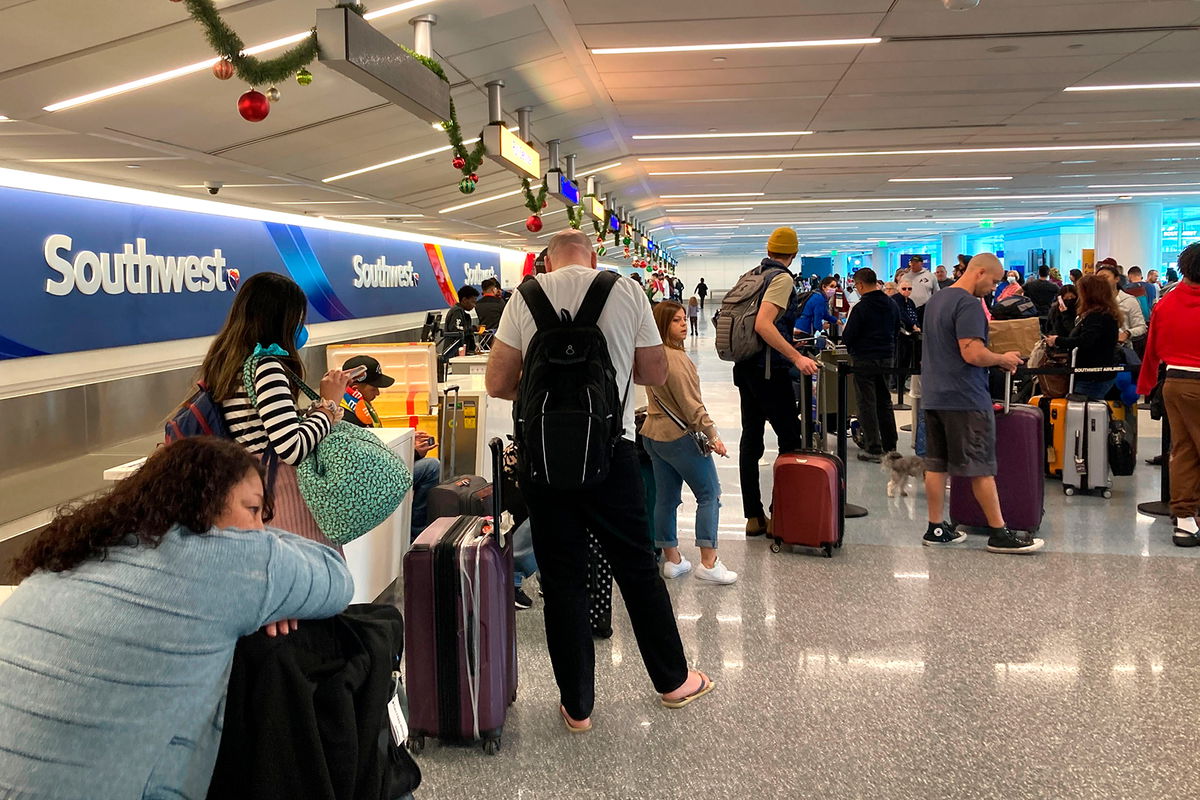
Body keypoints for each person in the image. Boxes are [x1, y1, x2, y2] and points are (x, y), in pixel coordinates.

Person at [0, 437, 353, 800]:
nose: (261, 531)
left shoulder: (83, 552)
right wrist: (265, 581)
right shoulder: (221, 565)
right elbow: (336, 577)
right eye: (252, 510)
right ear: (203, 503)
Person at [485, 229, 711, 732]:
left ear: (546, 261)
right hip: (613, 454)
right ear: (592, 256)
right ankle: (673, 680)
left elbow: (498, 384)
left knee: (562, 579)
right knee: (636, 569)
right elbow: (652, 372)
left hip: (543, 462)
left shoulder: (524, 296)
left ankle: (578, 707)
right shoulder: (626, 290)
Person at [201, 272, 352, 549]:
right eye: (298, 317)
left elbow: (265, 426)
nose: (301, 325)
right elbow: (291, 447)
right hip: (281, 491)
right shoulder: (266, 367)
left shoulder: (229, 363)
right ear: (281, 319)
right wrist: (328, 407)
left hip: (254, 483)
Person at [918, 253, 1043, 554]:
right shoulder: (969, 304)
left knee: (936, 464)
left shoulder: (937, 300)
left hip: (934, 394)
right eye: (994, 281)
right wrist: (1002, 358)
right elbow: (972, 353)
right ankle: (999, 531)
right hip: (964, 397)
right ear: (980, 272)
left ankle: (936, 526)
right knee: (980, 466)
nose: (994, 288)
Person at [731, 227, 820, 537]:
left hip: (745, 369)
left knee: (751, 439)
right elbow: (764, 323)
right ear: (793, 255)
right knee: (791, 439)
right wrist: (796, 357)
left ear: (769, 250)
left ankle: (753, 516)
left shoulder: (752, 275)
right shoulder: (781, 279)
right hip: (769, 371)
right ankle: (783, 513)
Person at [641, 301, 735, 584]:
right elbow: (692, 406)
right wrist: (713, 435)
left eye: (684, 319)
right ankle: (709, 562)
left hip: (654, 435)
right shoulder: (677, 360)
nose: (683, 324)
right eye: (676, 321)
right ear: (663, 325)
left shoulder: (652, 355)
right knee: (709, 496)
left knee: (666, 499)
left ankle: (673, 560)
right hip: (680, 438)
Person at [1138, 242, 1200, 546]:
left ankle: (1185, 521)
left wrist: (1146, 384)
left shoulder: (1166, 303)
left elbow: (1153, 349)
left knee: (1184, 449)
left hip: (1175, 382)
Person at [340, 355, 442, 539]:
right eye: (374, 387)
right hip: (365, 484)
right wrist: (413, 454)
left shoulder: (352, 406)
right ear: (355, 388)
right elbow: (369, 465)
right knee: (431, 467)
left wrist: (407, 440)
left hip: (370, 476)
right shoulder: (347, 418)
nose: (378, 393)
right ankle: (416, 537)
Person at [842, 268, 901, 463]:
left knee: (866, 403)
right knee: (884, 401)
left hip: (865, 358)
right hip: (887, 357)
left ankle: (873, 447)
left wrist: (853, 349)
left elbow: (848, 335)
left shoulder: (861, 308)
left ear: (859, 285)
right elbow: (896, 330)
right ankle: (891, 446)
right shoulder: (891, 304)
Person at [1045, 275, 1120, 400]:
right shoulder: (1105, 313)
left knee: (1082, 413)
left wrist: (1057, 340)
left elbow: (1086, 341)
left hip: (1092, 375)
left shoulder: (1097, 316)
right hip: (1097, 372)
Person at [1096, 264, 1148, 349]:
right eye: (1098, 279)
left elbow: (1141, 327)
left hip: (1121, 349)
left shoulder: (1129, 300)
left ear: (1117, 279)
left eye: (1105, 277)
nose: (1101, 281)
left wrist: (1127, 333)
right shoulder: (1094, 301)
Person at [893, 279, 921, 379]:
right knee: (900, 359)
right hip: (900, 334)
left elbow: (914, 314)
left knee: (906, 359)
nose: (907, 291)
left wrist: (916, 326)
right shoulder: (896, 300)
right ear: (898, 288)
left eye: (909, 289)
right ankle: (895, 383)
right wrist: (913, 325)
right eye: (904, 288)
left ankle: (901, 382)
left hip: (910, 334)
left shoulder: (910, 301)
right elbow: (902, 314)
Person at [444, 285, 480, 355]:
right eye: (473, 302)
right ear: (464, 300)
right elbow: (456, 331)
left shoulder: (462, 313)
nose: (474, 305)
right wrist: (473, 328)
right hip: (454, 353)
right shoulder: (457, 311)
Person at [903, 255, 940, 323]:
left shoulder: (930, 276)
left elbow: (936, 293)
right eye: (912, 263)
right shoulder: (905, 277)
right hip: (909, 309)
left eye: (916, 263)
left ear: (921, 263)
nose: (913, 265)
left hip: (925, 309)